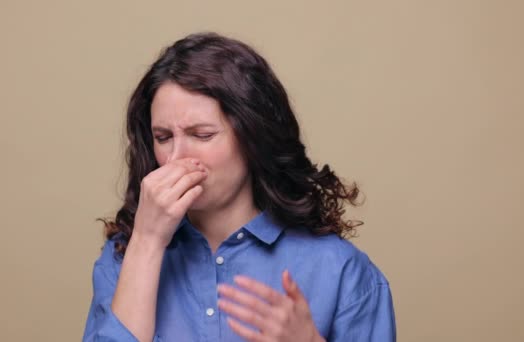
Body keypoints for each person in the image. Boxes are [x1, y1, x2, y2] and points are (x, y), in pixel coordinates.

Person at [82, 32, 396, 342]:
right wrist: (147, 241)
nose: (176, 158)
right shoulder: (124, 258)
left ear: (252, 138)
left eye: (202, 135)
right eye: (163, 138)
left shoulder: (341, 271)